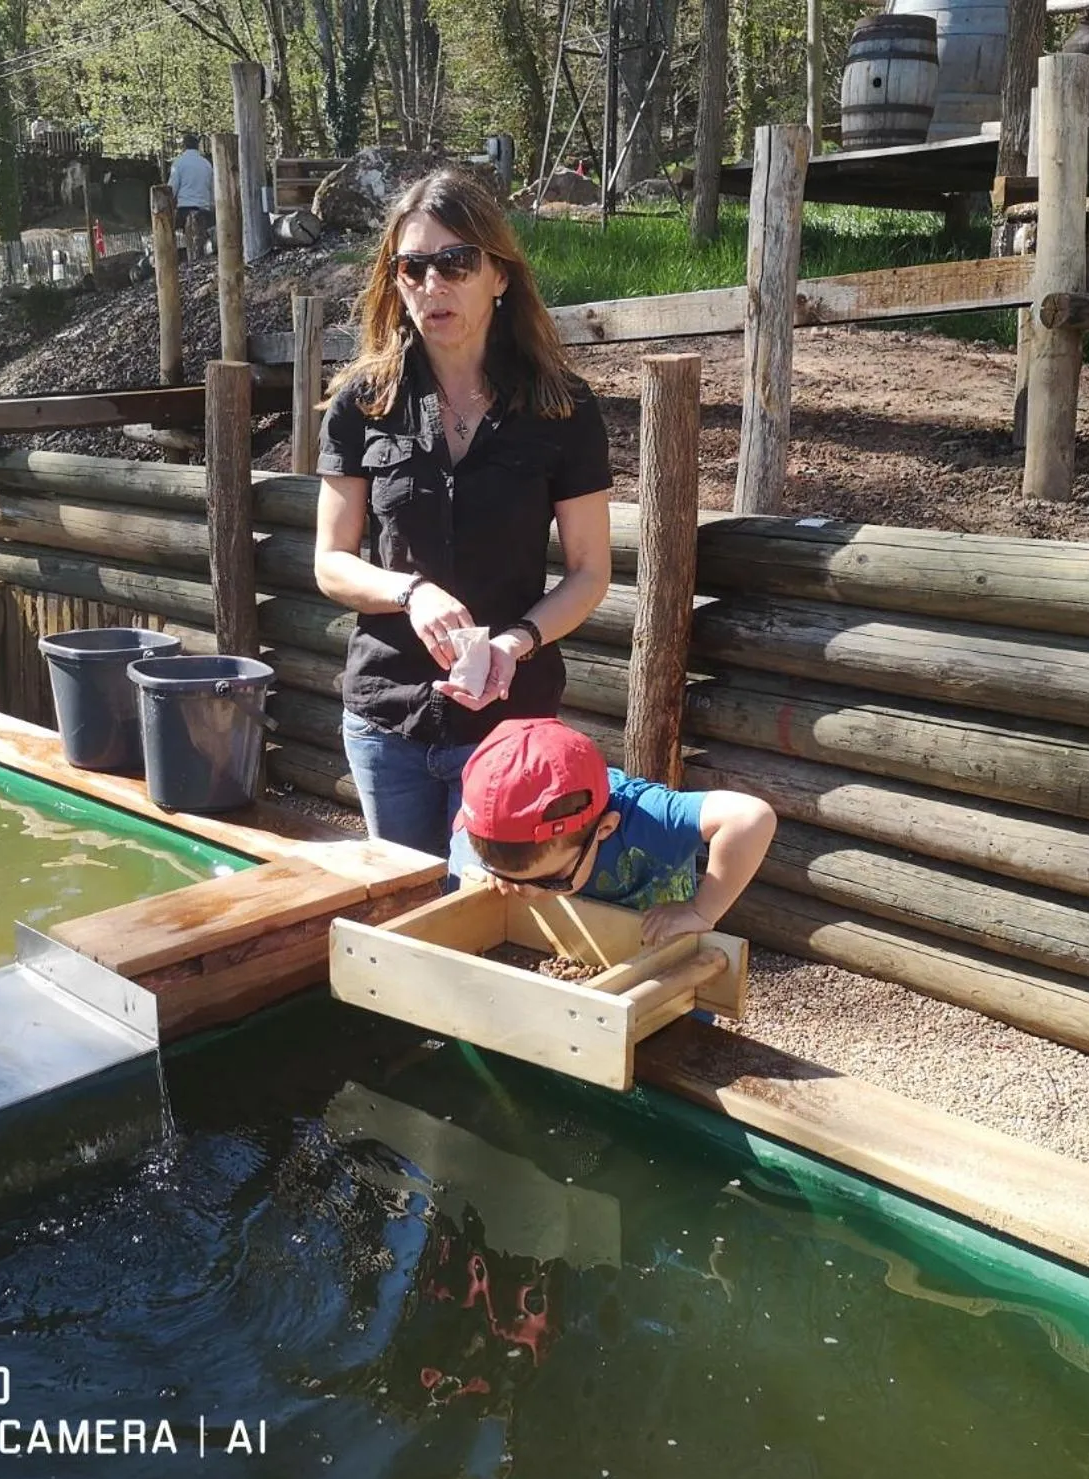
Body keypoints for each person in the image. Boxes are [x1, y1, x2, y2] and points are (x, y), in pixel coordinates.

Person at [314, 168, 613, 862]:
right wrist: (409, 593)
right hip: (387, 716)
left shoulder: (562, 406)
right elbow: (330, 562)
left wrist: (516, 644)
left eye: (456, 263)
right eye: (412, 268)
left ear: (499, 275)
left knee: (479, 921)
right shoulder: (362, 403)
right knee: (405, 916)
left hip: (509, 731)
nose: (432, 285)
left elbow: (590, 572)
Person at [454, 717, 777, 945]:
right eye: (512, 878)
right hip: (577, 946)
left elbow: (751, 817)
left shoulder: (649, 817)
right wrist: (502, 873)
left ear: (605, 828)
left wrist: (702, 910)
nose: (530, 893)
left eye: (551, 880)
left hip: (661, 953)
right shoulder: (493, 827)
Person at [167, 133, 214, 263]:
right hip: (204, 209)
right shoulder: (206, 164)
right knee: (200, 241)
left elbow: (171, 189)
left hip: (185, 209)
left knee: (170, 232)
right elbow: (212, 187)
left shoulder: (179, 163)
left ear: (184, 146)